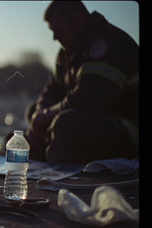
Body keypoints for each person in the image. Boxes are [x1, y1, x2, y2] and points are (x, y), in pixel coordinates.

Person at [24, 1, 139, 165]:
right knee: (33, 111)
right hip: (93, 119)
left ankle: (50, 157)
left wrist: (48, 116)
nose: (54, 37)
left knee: (66, 123)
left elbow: (89, 98)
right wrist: (39, 116)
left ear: (77, 21)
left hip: (128, 128)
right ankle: (44, 145)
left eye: (59, 29)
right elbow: (52, 91)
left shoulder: (108, 42)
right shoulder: (66, 53)